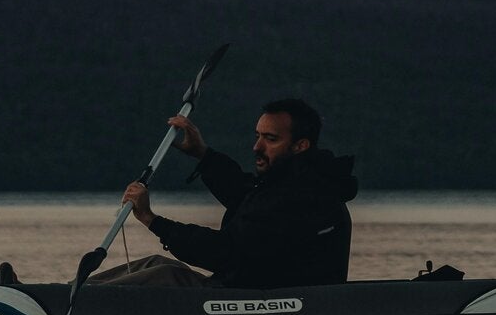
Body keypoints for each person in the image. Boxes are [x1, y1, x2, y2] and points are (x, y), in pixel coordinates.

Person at [114, 98, 358, 288]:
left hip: (265, 301)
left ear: (300, 146)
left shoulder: (306, 197)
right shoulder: (287, 184)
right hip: (241, 289)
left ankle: (91, 308)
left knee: (164, 275)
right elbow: (243, 194)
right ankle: (89, 296)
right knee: (153, 264)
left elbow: (226, 250)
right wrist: (203, 154)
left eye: (270, 139)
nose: (257, 147)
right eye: (257, 136)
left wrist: (152, 220)